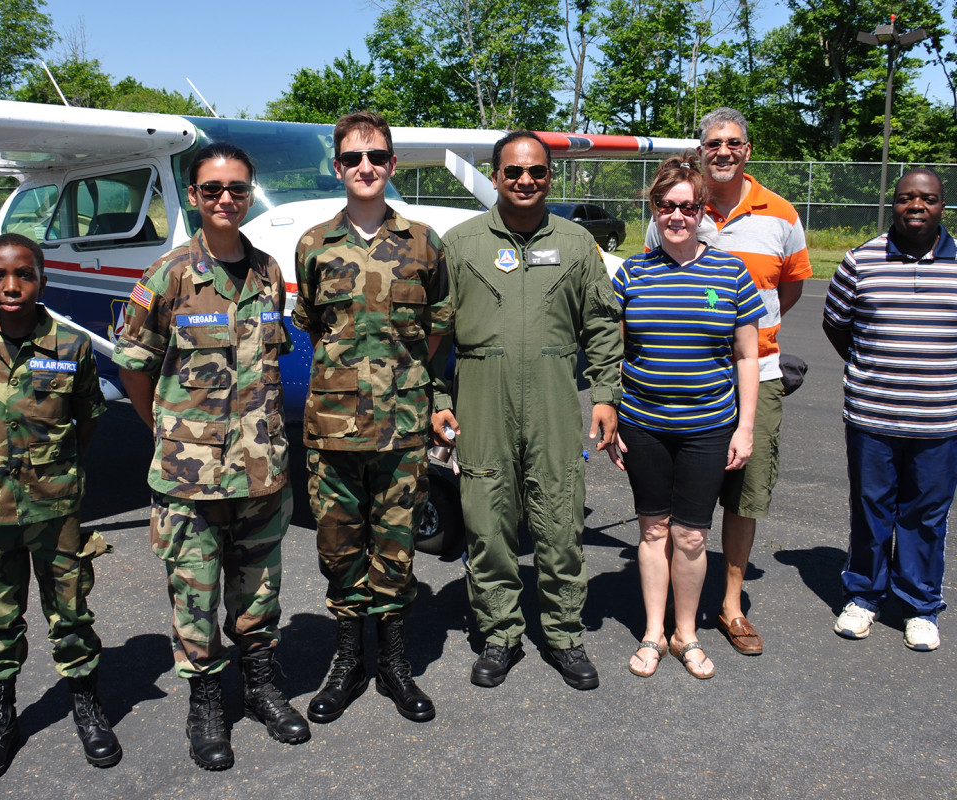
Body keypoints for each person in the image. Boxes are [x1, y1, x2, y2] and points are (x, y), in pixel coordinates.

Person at [113, 142, 308, 771]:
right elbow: (135, 368)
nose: (226, 199)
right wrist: (166, 431)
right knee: (194, 598)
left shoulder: (270, 272)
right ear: (194, 197)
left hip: (261, 471)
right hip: (188, 477)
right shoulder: (168, 276)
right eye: (212, 189)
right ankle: (205, 702)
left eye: (238, 188)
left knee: (259, 593)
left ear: (250, 194)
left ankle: (259, 686)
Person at [431, 131, 624, 690]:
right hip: (482, 400)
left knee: (561, 517)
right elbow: (435, 333)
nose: (525, 181)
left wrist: (606, 396)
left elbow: (603, 326)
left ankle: (564, 634)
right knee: (487, 521)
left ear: (549, 177)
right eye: (513, 171)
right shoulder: (461, 244)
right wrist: (439, 399)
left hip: (554, 400)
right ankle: (500, 634)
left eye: (536, 172)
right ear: (494, 177)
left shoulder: (576, 243)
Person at [0, 233, 120, 783]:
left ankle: (87, 710)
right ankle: (1, 721)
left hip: (56, 510)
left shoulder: (71, 346)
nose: (12, 286)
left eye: (24, 274)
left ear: (41, 279)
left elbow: (87, 418)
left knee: (71, 614)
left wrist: (51, 469)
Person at [293, 112, 445, 724]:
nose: (366, 168)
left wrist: (405, 384)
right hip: (331, 430)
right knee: (338, 547)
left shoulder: (423, 242)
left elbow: (439, 325)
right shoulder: (313, 246)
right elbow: (309, 323)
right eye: (354, 158)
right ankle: (349, 659)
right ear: (337, 166)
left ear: (392, 164)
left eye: (377, 157)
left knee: (398, 546)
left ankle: (394, 663)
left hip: (403, 428)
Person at [645, 107, 812, 656]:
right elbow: (652, 292)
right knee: (673, 507)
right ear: (700, 150)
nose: (723, 151)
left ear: (747, 149)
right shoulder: (675, 209)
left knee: (743, 494)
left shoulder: (781, 215)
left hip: (753, 373)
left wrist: (753, 339)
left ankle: (731, 605)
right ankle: (667, 614)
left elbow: (788, 292)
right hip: (681, 380)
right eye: (713, 142)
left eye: (733, 143)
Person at [613, 155, 763, 680]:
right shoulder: (631, 272)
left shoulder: (731, 272)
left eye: (689, 206)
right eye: (667, 206)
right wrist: (609, 415)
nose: (677, 215)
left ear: (703, 211)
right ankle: (653, 634)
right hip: (643, 424)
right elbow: (614, 352)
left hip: (709, 427)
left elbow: (748, 357)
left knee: (693, 536)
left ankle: (687, 635)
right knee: (654, 529)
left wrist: (745, 426)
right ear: (653, 209)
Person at [823, 168, 955, 652]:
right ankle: (863, 597)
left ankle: (920, 607)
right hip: (872, 417)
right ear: (892, 202)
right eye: (905, 198)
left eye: (928, 199)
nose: (916, 206)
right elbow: (836, 323)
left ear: (943, 204)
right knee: (871, 509)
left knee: (926, 516)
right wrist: (874, 368)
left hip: (940, 420)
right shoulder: (861, 261)